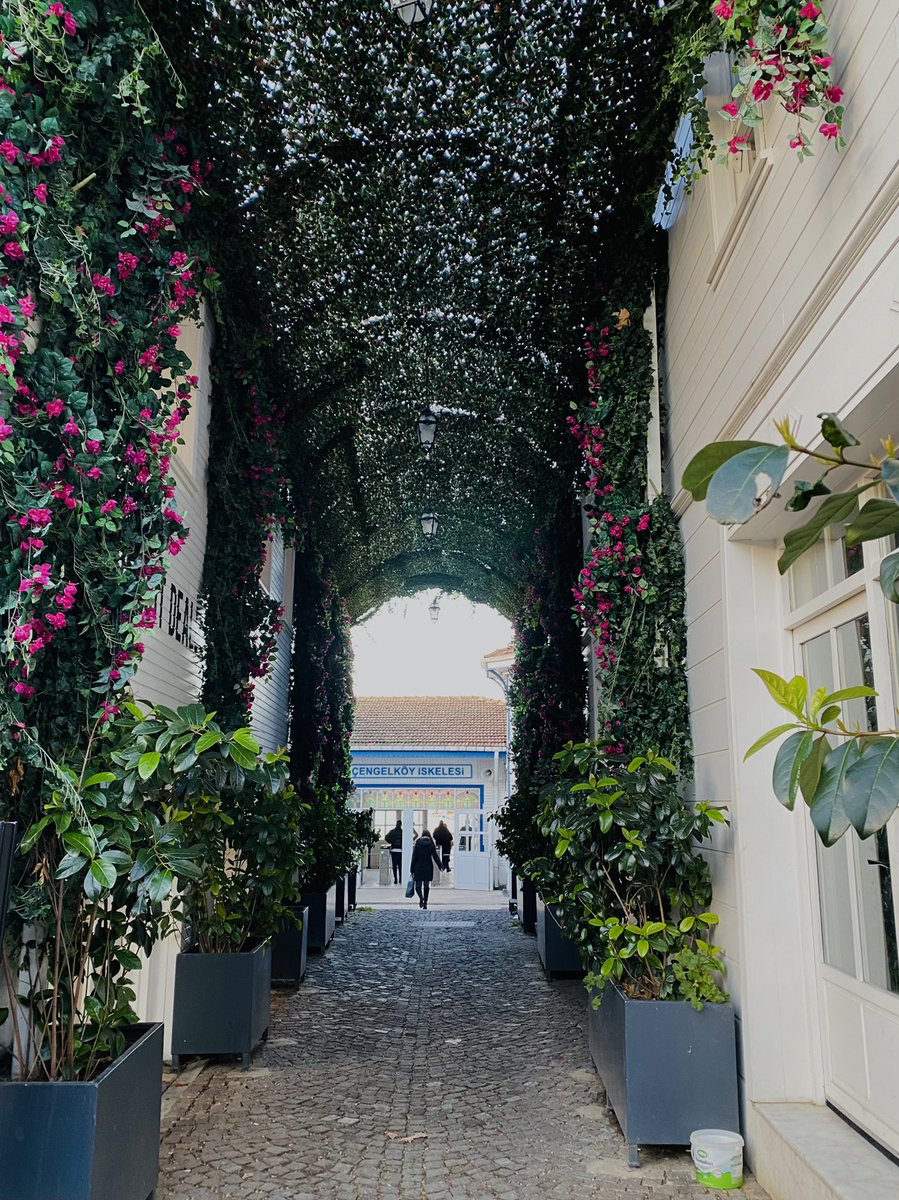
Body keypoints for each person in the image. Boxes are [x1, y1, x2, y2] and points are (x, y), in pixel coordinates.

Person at [409, 828, 443, 910]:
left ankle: (421, 898)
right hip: (428, 867)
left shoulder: (418, 843)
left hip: (418, 867)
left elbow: (414, 857)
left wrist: (412, 868)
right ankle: (425, 903)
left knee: (418, 886)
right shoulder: (431, 843)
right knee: (426, 886)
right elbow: (435, 856)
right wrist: (440, 865)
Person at [385, 819, 403, 885]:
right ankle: (401, 878)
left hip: (393, 850)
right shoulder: (402, 832)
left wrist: (391, 842)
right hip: (401, 851)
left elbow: (386, 838)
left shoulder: (392, 831)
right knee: (400, 865)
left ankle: (395, 879)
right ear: (401, 824)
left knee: (394, 866)